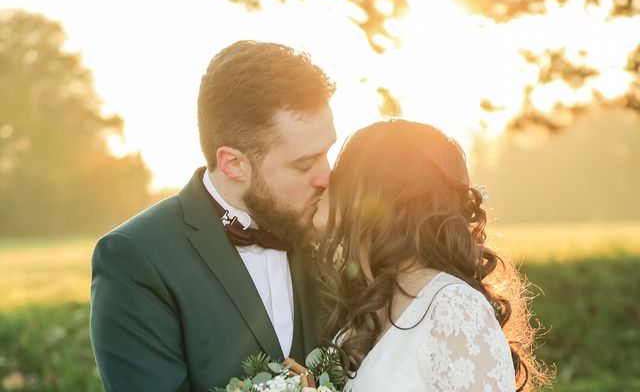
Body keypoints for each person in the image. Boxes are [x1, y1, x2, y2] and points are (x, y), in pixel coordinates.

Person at [90, 40, 337, 391]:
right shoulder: (136, 258)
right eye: (303, 164)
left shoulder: (326, 233)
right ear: (233, 163)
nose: (326, 177)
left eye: (327, 152)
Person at [313, 120, 549, 391]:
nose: (327, 180)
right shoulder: (368, 306)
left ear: (380, 193)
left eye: (345, 172)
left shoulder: (454, 310)